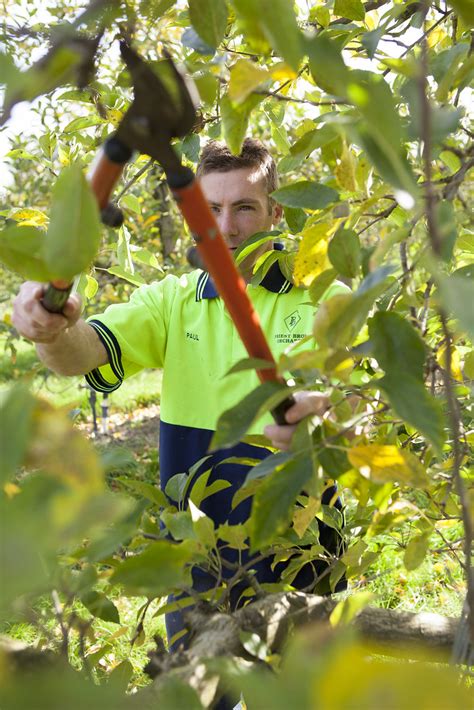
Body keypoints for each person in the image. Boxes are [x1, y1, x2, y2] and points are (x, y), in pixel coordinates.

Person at [12, 138, 345, 652]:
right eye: (211, 209)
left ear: (275, 213)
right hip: (200, 566)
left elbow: (359, 397)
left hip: (302, 557)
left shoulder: (325, 295)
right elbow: (81, 352)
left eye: (244, 208)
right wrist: (50, 330)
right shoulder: (171, 301)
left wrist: (325, 412)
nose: (227, 227)